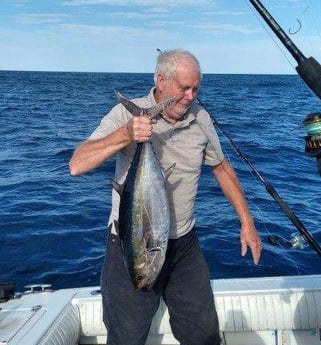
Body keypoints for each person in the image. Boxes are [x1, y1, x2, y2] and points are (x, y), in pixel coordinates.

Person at [69, 49, 262, 345]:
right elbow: (77, 164)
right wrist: (126, 135)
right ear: (161, 80)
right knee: (126, 336)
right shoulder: (127, 113)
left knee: (203, 334)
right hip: (132, 245)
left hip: (184, 245)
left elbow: (221, 168)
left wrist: (247, 222)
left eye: (196, 88)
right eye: (184, 87)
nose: (190, 96)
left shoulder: (200, 117)